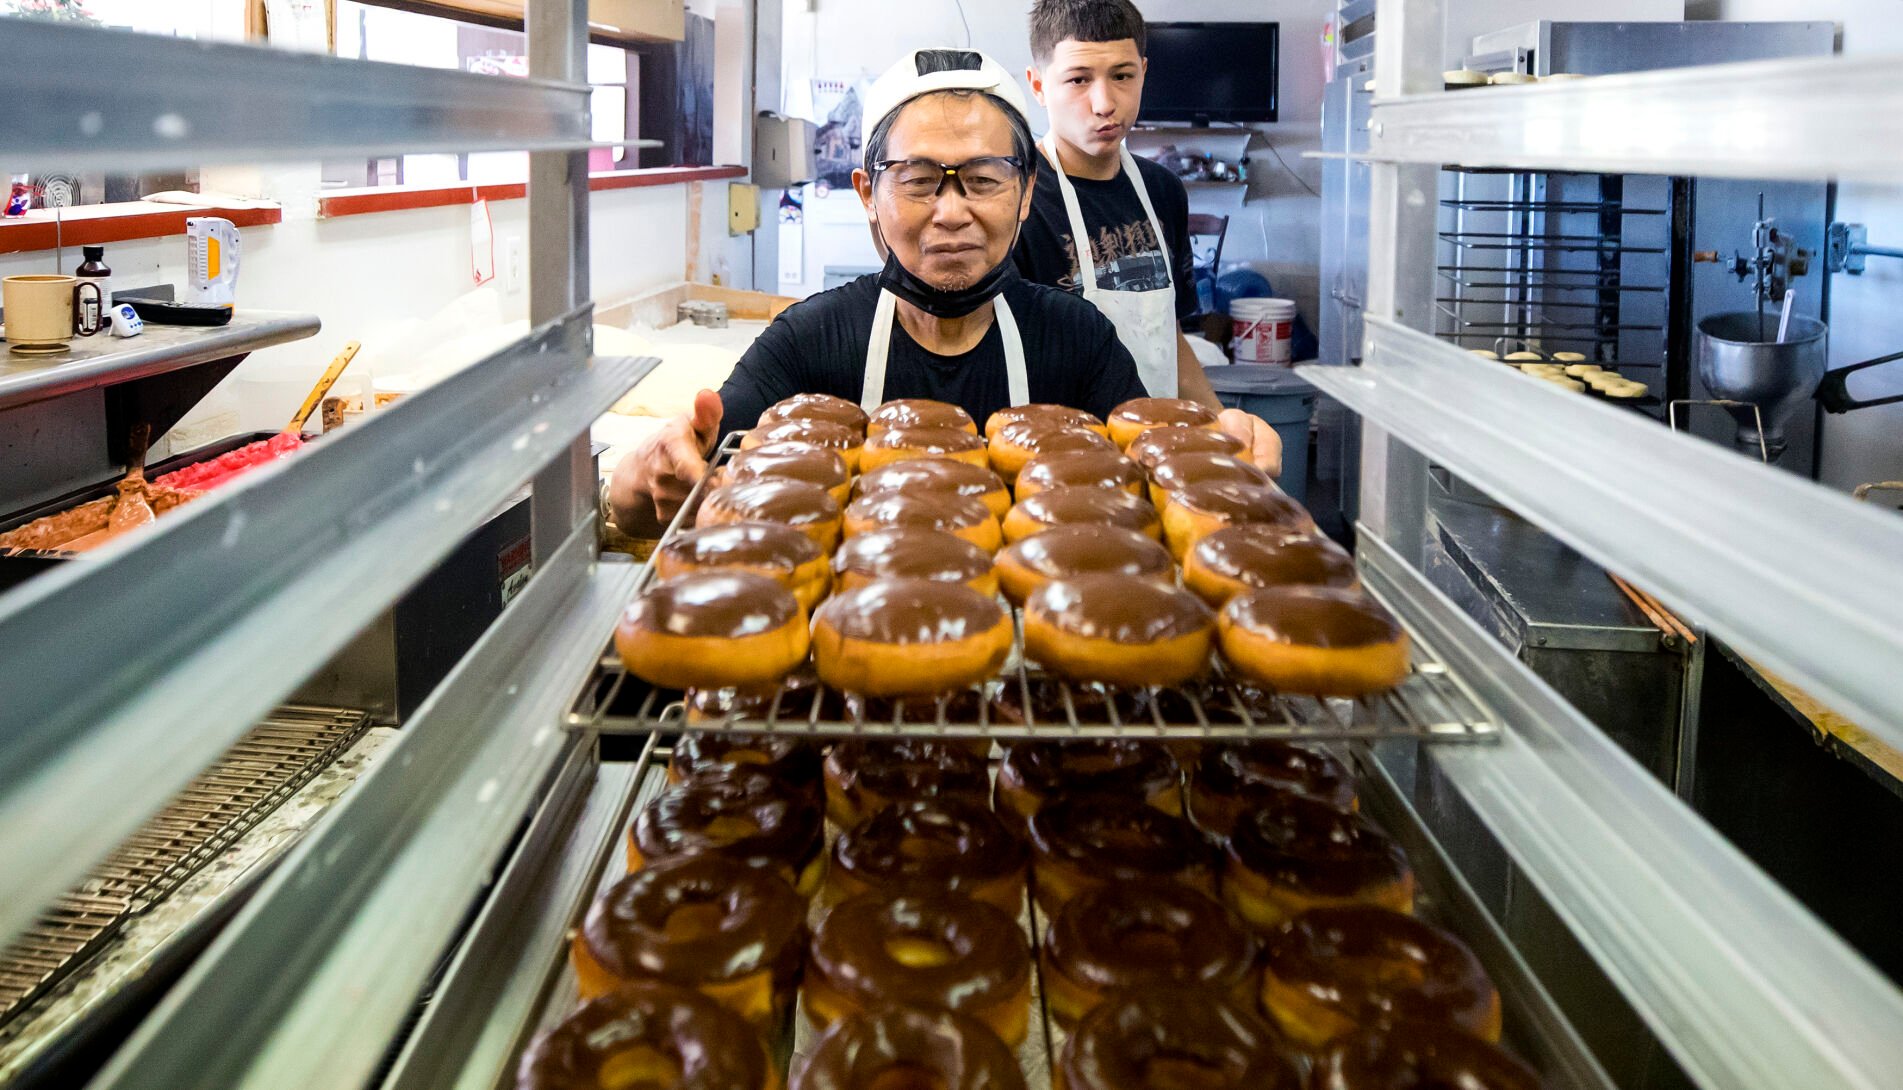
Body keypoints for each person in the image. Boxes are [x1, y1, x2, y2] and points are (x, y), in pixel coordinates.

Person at [609, 47, 1152, 534]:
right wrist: (644, 474)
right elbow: (657, 499)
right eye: (917, 181)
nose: (952, 212)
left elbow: (1155, 485)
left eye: (984, 179)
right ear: (868, 192)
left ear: (1027, 190)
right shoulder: (808, 341)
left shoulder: (1079, 339)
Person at [1017, 0, 1281, 475]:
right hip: (1059, 469)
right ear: (1038, 85)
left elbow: (1169, 336)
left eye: (1122, 76)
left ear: (1143, 72)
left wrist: (1219, 427)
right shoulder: (1016, 200)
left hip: (1158, 457)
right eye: (1078, 79)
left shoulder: (1162, 191)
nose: (1104, 103)